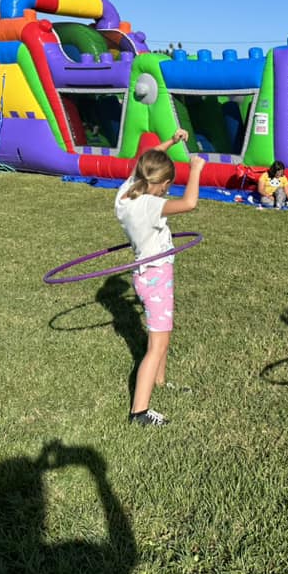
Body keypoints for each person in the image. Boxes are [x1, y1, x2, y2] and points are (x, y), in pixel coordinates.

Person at [114, 128, 203, 426]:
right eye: (168, 186)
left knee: (161, 335)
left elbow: (145, 159)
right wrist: (196, 171)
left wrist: (172, 142)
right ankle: (139, 411)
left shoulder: (127, 193)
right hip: (156, 276)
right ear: (164, 184)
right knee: (157, 345)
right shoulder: (151, 205)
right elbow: (190, 203)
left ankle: (161, 381)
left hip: (147, 274)